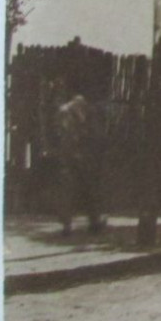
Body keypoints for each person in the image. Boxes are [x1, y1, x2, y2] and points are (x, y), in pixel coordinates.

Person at [54, 89, 104, 235]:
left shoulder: (83, 112)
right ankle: (75, 224)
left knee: (80, 190)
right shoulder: (68, 113)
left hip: (76, 156)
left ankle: (89, 222)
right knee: (75, 191)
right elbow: (68, 134)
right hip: (75, 157)